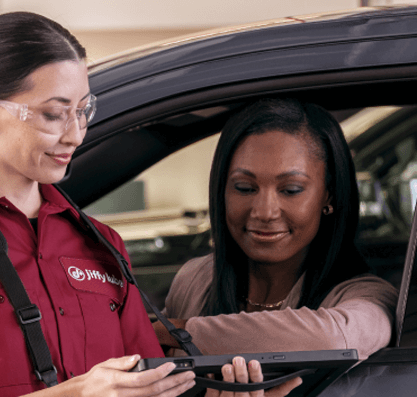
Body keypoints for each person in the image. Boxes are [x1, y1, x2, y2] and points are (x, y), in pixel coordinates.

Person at [0, 12, 197, 397]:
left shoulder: (102, 244)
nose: (75, 135)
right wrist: (77, 393)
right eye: (53, 114)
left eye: (82, 111)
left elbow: (146, 386)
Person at [153, 98, 399, 395]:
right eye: (244, 188)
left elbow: (331, 341)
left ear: (328, 196)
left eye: (291, 190)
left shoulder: (368, 296)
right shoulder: (196, 279)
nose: (265, 211)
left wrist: (173, 330)